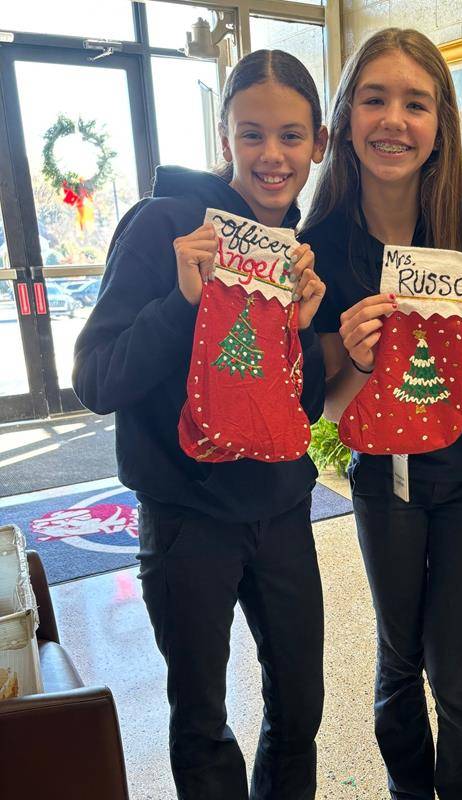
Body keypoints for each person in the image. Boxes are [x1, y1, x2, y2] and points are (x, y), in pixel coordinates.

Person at [73, 50, 328, 800]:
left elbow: (301, 410)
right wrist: (183, 300)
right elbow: (96, 379)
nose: (272, 155)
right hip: (186, 516)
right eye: (252, 134)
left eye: (291, 135)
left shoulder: (293, 252)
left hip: (282, 510)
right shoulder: (164, 225)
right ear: (225, 139)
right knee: (201, 719)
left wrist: (304, 335)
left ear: (317, 143)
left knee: (300, 708)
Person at [300, 28, 462, 800]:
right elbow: (325, 408)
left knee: (453, 666)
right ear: (347, 118)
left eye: (415, 103)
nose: (393, 120)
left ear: (441, 123)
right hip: (383, 481)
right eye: (374, 99)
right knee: (398, 659)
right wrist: (353, 358)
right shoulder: (321, 247)